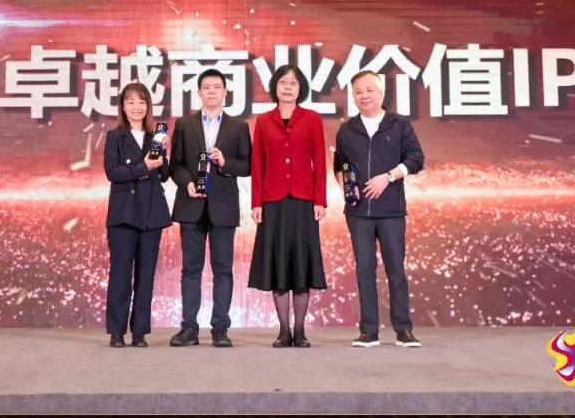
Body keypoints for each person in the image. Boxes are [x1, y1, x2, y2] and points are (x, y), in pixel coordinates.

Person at [333, 70, 425, 348]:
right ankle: (369, 331)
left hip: (391, 210)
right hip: (358, 212)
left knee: (396, 269)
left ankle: (403, 330)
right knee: (364, 271)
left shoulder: (399, 124)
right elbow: (340, 165)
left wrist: (388, 177)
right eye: (358, 92)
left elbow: (416, 159)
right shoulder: (347, 129)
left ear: (381, 92)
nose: (364, 96)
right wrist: (347, 187)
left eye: (369, 90)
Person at [167, 69, 252, 348]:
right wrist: (187, 184)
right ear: (199, 92)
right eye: (207, 87)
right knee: (190, 270)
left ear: (225, 92)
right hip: (191, 204)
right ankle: (189, 328)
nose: (212, 91)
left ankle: (220, 328)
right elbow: (175, 165)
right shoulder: (184, 124)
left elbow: (248, 166)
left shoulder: (238, 127)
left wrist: (226, 163)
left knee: (223, 270)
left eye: (217, 87)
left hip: (223, 207)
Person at [247, 65, 328, 348]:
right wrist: (256, 202)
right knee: (279, 266)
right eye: (283, 82)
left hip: (304, 201)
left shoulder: (312, 119)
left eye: (293, 83)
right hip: (273, 202)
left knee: (301, 266)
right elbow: (258, 163)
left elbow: (320, 160)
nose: (288, 87)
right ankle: (284, 331)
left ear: (300, 88)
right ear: (275, 87)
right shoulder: (264, 120)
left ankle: (300, 330)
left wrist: (320, 200)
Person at [102, 82, 171, 348]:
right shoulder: (115, 137)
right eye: (130, 101)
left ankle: (140, 332)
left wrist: (164, 154)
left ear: (148, 106)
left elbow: (164, 175)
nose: (136, 107)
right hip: (124, 214)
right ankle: (116, 331)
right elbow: (113, 172)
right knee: (120, 275)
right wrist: (144, 167)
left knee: (146, 276)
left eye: (141, 102)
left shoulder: (156, 136)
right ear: (123, 106)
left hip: (152, 213)